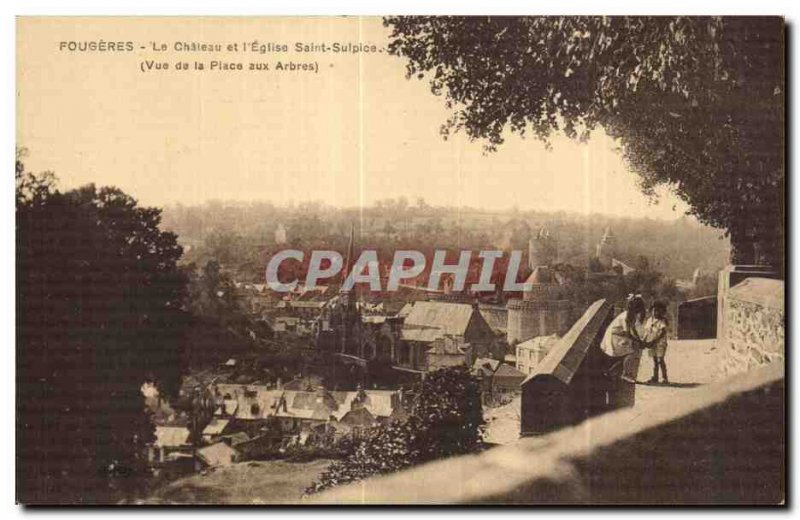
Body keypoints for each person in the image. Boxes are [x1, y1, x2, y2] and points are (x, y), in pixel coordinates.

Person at [600, 294, 647, 384]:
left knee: (631, 350)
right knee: (631, 352)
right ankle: (625, 374)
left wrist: (639, 340)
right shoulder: (625, 316)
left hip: (619, 336)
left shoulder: (630, 315)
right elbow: (627, 333)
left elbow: (632, 329)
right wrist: (638, 341)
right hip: (614, 337)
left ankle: (611, 371)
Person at [643, 301, 669, 384]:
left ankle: (665, 378)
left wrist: (655, 340)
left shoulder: (661, 321)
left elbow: (662, 332)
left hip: (660, 343)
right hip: (652, 342)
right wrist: (645, 340)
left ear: (661, 311)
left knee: (660, 359)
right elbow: (646, 331)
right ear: (651, 311)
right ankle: (655, 376)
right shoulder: (649, 320)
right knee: (654, 360)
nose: (655, 313)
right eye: (654, 311)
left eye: (657, 311)